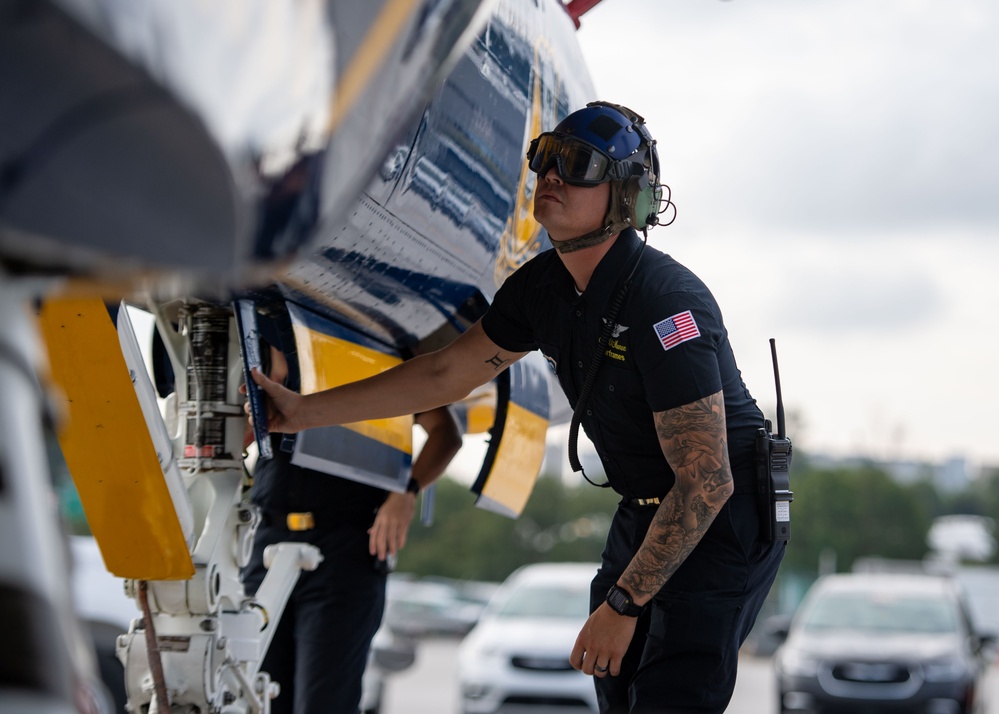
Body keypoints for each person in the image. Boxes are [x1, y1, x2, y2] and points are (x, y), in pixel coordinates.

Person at [247, 102, 786, 713]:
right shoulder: (541, 289)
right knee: (618, 690)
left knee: (669, 696)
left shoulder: (666, 303)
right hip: (644, 508)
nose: (551, 176)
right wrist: (300, 412)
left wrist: (623, 604)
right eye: (545, 159)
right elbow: (445, 374)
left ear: (626, 197)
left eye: (578, 164)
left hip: (720, 514)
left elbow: (706, 480)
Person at [241, 346, 462, 714]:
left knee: (324, 704)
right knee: (258, 698)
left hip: (344, 550)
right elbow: (238, 436)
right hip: (268, 543)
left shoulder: (382, 351)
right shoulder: (264, 351)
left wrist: (406, 492)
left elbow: (446, 433)